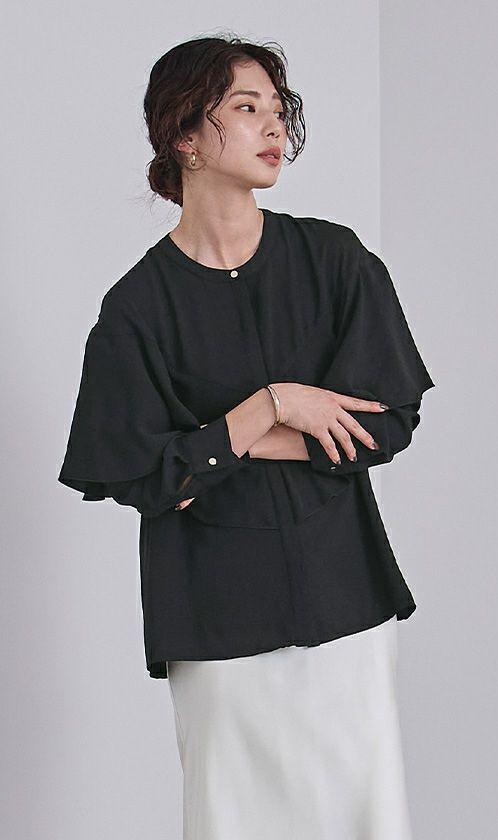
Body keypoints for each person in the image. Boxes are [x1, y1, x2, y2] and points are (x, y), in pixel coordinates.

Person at [58, 33, 435, 840]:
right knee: (232, 820)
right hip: (214, 614)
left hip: (344, 596)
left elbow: (383, 425)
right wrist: (273, 405)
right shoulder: (137, 309)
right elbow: (145, 480)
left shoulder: (334, 261)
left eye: (278, 109)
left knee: (364, 818)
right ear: (185, 136)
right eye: (246, 107)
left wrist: (210, 445)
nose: (274, 127)